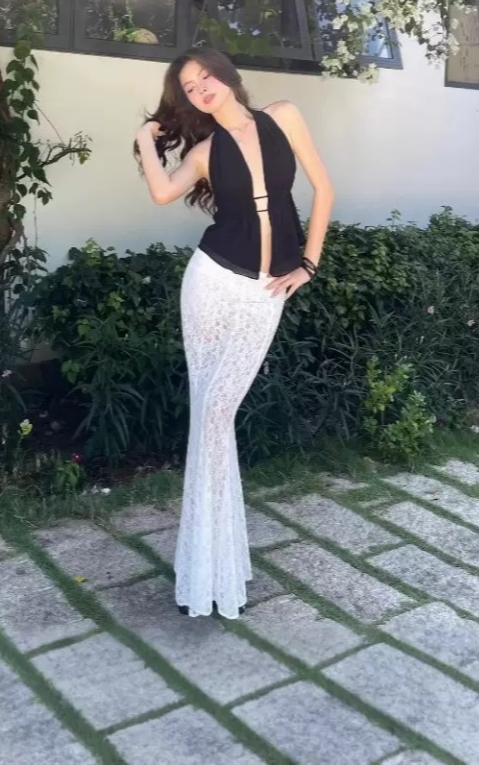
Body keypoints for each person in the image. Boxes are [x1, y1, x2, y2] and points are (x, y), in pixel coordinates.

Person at [134, 47, 335, 619]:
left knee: (216, 413)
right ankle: (209, 571)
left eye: (206, 77)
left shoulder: (283, 117)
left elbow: (324, 190)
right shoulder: (204, 152)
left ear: (226, 75)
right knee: (210, 415)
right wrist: (145, 139)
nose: (201, 89)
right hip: (211, 282)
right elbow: (161, 192)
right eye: (189, 87)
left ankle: (212, 567)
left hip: (265, 292)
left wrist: (310, 264)